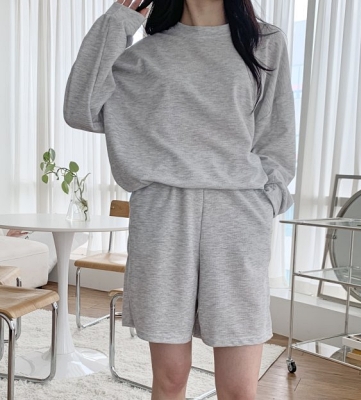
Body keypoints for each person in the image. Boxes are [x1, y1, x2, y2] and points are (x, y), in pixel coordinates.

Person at [63, 0, 295, 399]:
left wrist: (268, 199)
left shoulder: (264, 43)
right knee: (170, 380)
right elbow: (80, 109)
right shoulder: (144, 55)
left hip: (238, 217)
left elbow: (277, 132)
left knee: (239, 390)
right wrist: (119, 21)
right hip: (163, 216)